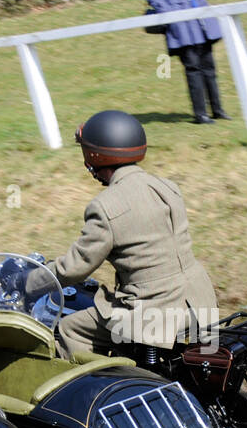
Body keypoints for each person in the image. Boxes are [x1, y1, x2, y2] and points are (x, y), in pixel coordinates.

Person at [43, 110, 218, 357]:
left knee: (70, 328)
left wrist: (35, 278)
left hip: (156, 313)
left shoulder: (104, 206)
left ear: (94, 156)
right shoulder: (167, 187)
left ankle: (97, 393)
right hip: (201, 302)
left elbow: (74, 268)